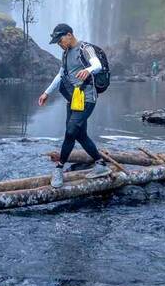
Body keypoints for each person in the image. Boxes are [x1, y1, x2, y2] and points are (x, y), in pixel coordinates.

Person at [38, 23, 111, 188]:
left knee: (71, 131)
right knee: (79, 134)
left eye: (60, 40)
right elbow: (60, 75)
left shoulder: (85, 48)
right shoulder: (65, 54)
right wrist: (46, 93)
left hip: (88, 97)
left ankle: (59, 168)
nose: (59, 44)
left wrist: (89, 70)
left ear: (69, 34)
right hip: (74, 97)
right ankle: (100, 165)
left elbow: (97, 65)